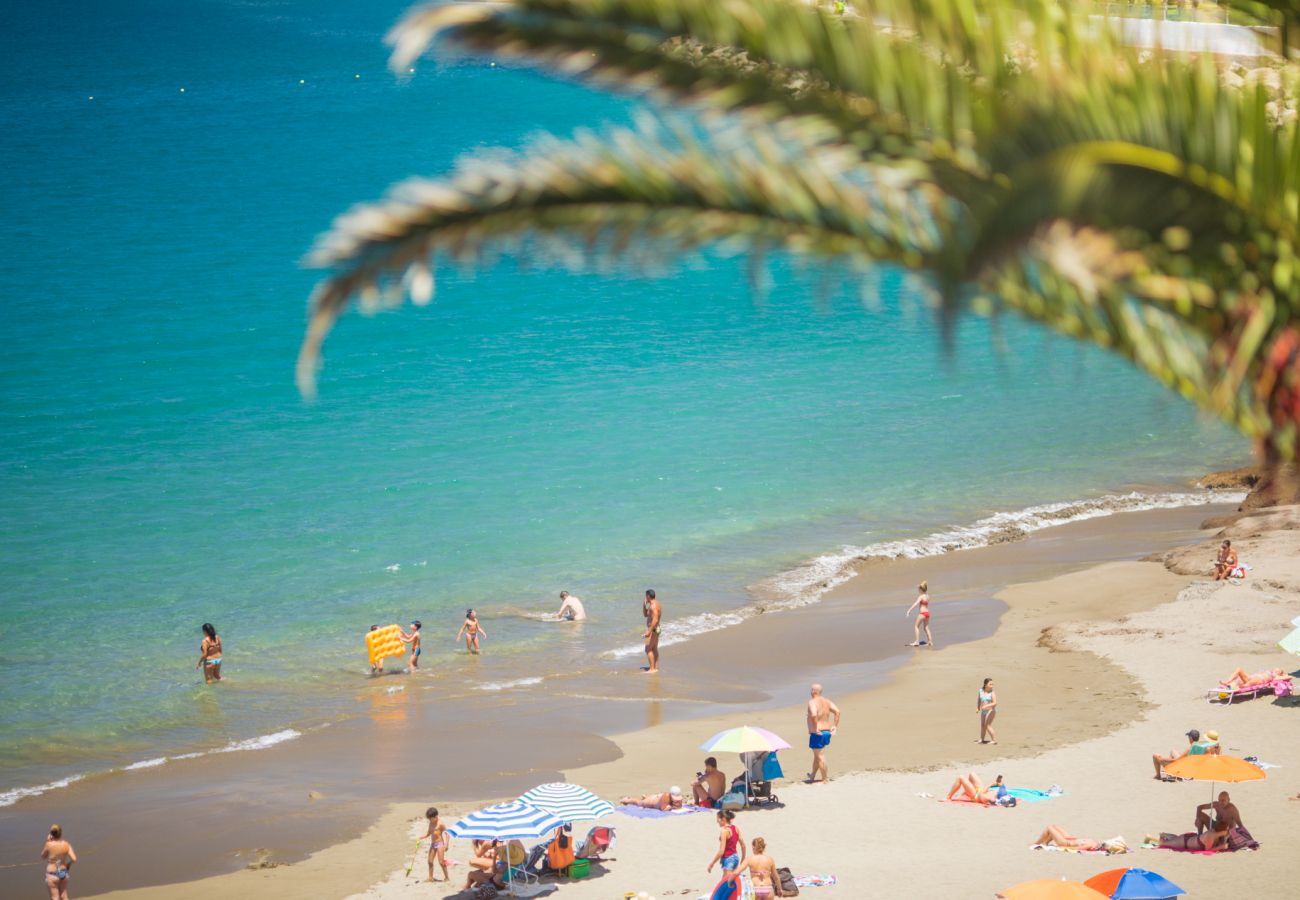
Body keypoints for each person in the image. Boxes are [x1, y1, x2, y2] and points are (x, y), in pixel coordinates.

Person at [806, 683, 841, 784]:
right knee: (817, 755)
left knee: (820, 756)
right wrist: (835, 726)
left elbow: (813, 715)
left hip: (818, 733)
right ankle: (812, 775)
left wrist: (816, 728)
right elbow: (837, 712)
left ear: (814, 691)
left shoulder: (812, 702)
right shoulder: (827, 701)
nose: (810, 692)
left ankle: (825, 779)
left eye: (811, 690)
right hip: (826, 731)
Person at [706, 810, 745, 879]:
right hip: (735, 857)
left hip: (728, 859)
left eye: (718, 819)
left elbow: (721, 851)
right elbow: (743, 845)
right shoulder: (735, 828)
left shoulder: (724, 832)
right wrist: (743, 859)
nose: (717, 821)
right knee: (730, 882)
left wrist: (712, 864)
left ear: (723, 819)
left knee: (726, 883)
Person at [42, 824, 76, 900]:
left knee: (55, 897)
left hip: (52, 874)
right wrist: (68, 864)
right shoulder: (66, 844)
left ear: (51, 834)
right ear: (61, 833)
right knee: (64, 896)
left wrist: (48, 841)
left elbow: (43, 856)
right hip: (64, 872)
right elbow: (74, 859)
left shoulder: (48, 844)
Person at [421, 806, 448, 882]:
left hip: (440, 844)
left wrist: (446, 844)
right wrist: (423, 837)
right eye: (429, 818)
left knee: (441, 862)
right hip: (433, 844)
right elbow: (429, 833)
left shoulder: (440, 823)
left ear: (435, 816)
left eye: (430, 818)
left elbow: (447, 833)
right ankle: (430, 878)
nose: (429, 820)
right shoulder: (431, 822)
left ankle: (447, 877)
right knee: (430, 861)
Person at [906, 581, 934, 648]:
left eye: (919, 589)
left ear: (921, 590)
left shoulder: (921, 597)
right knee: (926, 628)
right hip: (927, 613)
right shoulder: (927, 596)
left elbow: (916, 604)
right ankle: (930, 642)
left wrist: (909, 610)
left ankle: (917, 641)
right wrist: (920, 585)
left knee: (916, 626)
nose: (918, 590)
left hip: (922, 614)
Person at [1033, 824, 1104, 851]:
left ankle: (1037, 843)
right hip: (1070, 838)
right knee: (1054, 826)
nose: (1099, 842)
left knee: (1049, 827)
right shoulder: (1092, 841)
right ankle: (1045, 842)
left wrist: (1062, 848)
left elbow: (1076, 848)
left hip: (1065, 843)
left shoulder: (1090, 845)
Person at [642, 589, 662, 673]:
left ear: (648, 596)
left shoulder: (653, 606)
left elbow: (655, 619)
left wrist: (649, 631)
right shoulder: (656, 604)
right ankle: (656, 667)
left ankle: (652, 669)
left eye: (646, 596)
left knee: (648, 649)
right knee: (654, 648)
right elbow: (645, 615)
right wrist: (644, 605)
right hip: (657, 629)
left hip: (653, 629)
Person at [619, 786, 684, 810]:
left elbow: (679, 806)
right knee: (639, 803)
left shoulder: (675, 796)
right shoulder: (665, 797)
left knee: (646, 800)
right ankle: (626, 800)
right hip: (651, 802)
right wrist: (672, 806)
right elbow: (664, 809)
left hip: (655, 798)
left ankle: (645, 797)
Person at [1219, 667, 1288, 689]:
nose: (1275, 670)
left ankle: (1235, 687)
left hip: (1260, 680)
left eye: (1278, 670)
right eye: (1275, 669)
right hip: (1252, 677)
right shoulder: (1270, 671)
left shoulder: (1276, 676)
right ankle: (1227, 682)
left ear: (1280, 673)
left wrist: (1283, 675)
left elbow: (1287, 676)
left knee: (1247, 684)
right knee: (1239, 669)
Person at [978, 677, 998, 744]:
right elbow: (979, 699)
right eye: (990, 684)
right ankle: (981, 739)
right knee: (982, 725)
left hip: (991, 711)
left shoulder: (992, 693)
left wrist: (986, 706)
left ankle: (994, 740)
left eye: (992, 684)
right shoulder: (981, 691)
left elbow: (995, 703)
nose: (992, 686)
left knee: (987, 725)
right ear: (985, 684)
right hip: (983, 711)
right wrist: (978, 707)